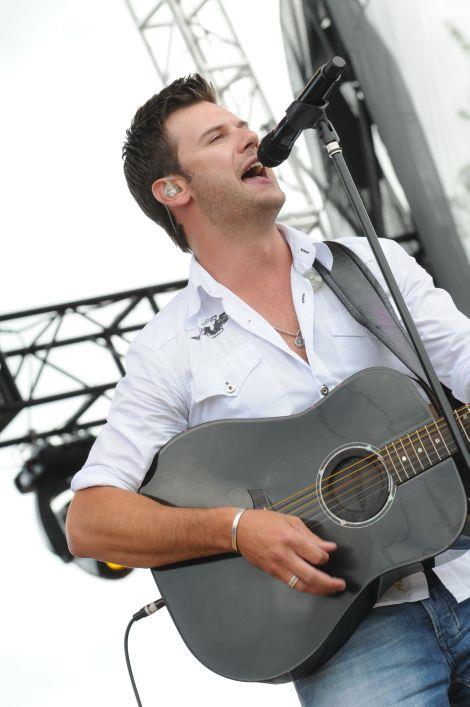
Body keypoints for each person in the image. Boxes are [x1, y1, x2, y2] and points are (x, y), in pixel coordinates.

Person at [66, 74, 470, 705]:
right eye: (217, 137)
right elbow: (91, 523)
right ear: (174, 189)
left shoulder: (370, 264)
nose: (250, 136)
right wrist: (237, 529)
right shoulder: (168, 350)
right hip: (351, 642)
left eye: (242, 125)